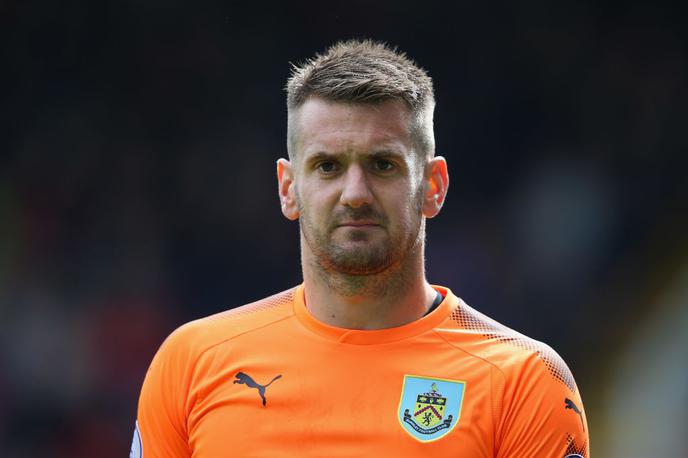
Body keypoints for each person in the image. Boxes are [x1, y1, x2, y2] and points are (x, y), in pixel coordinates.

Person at [132, 40, 589, 457]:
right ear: (288, 189)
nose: (355, 193)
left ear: (433, 186)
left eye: (382, 164)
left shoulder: (522, 381)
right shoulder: (193, 364)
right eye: (328, 166)